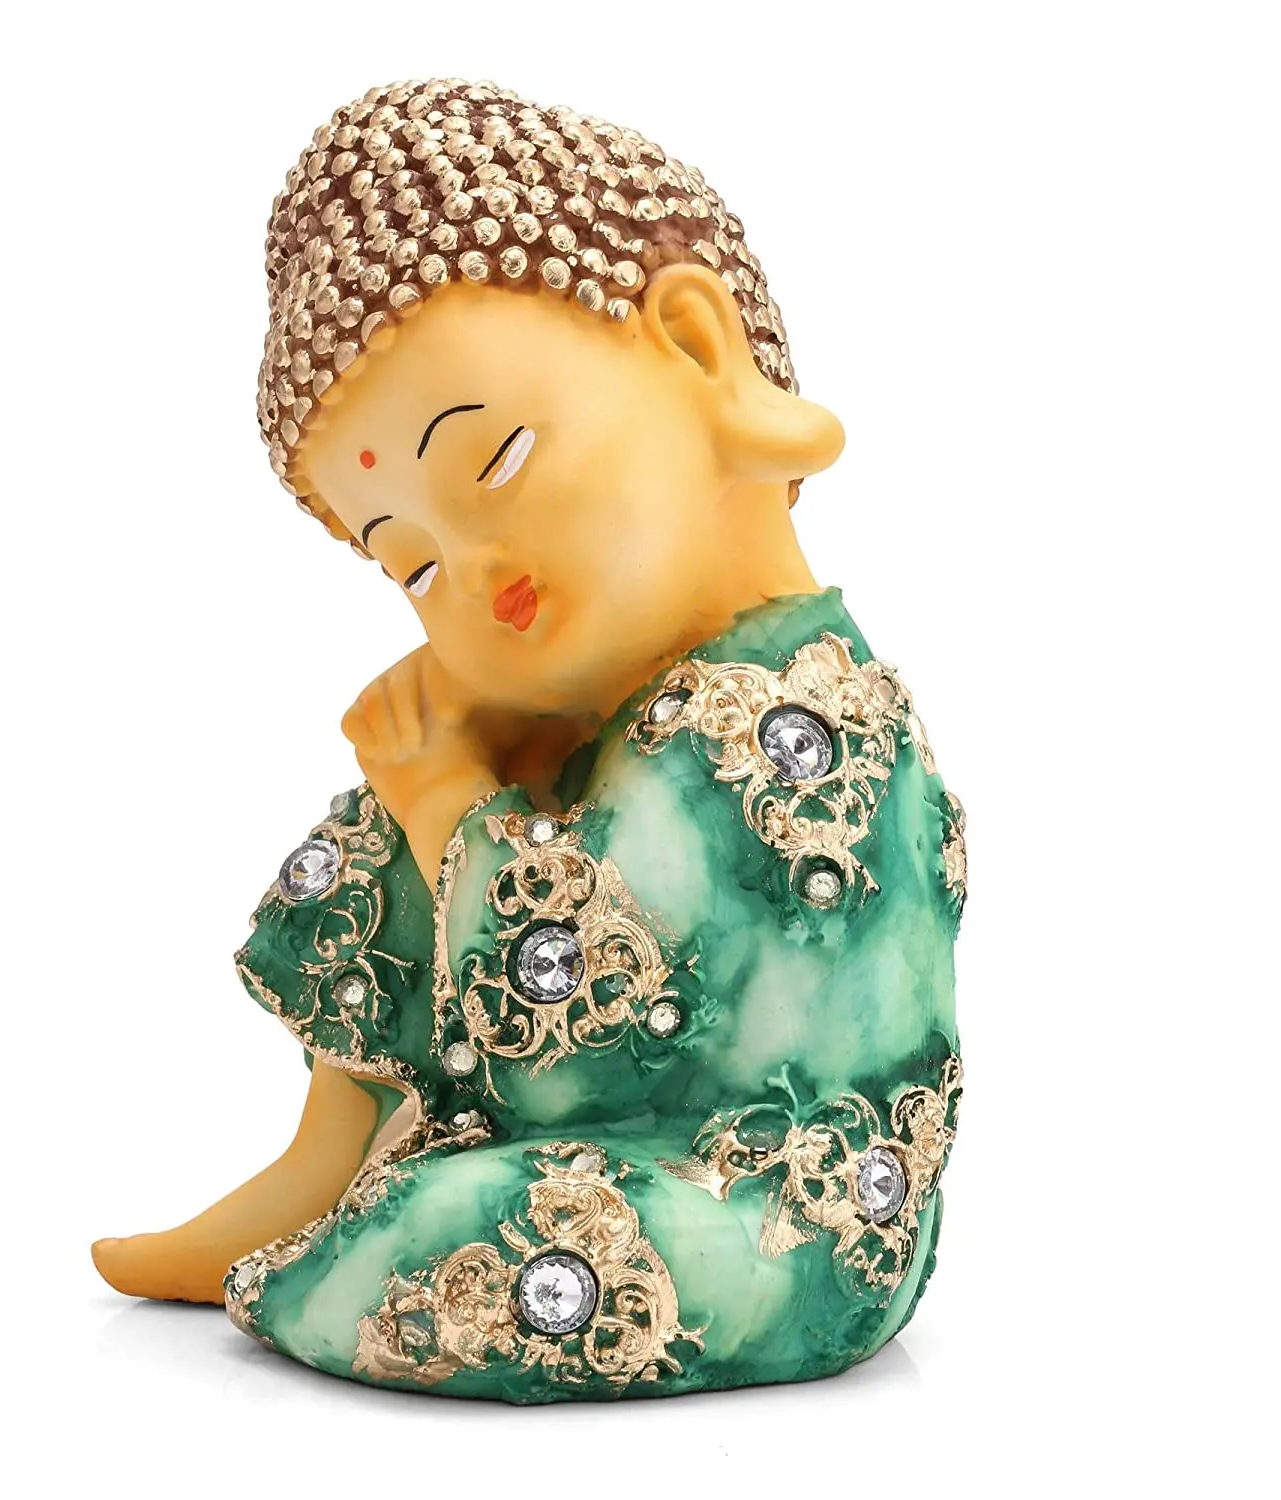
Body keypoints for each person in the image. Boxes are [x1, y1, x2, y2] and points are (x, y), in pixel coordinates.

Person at [92, 78, 966, 1401]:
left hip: (774, 1217)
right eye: (409, 564)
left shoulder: (792, 717)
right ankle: (330, 1159)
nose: (472, 575)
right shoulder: (633, 720)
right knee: (408, 809)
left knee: (470, 1239)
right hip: (616, 1136)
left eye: (494, 462)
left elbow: (583, 1052)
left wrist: (452, 797)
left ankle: (359, 1207)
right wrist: (446, 786)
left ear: (699, 354)